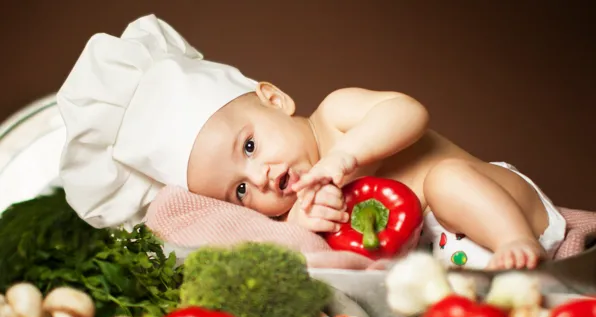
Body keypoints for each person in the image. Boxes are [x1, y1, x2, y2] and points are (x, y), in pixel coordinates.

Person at [57, 14, 566, 270]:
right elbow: (344, 260)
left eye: (249, 148)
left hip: (500, 207)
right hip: (455, 260)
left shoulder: (335, 117)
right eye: (239, 191)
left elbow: (408, 111)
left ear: (274, 99)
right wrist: (302, 225)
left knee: (446, 179)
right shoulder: (293, 206)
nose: (258, 179)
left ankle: (517, 245)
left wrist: (349, 155)